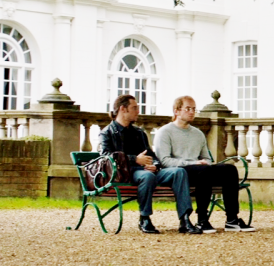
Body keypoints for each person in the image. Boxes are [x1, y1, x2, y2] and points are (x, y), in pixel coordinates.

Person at [99, 94, 201, 234]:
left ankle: (185, 220)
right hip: (126, 173)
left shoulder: (138, 133)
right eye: (134, 108)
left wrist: (156, 165)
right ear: (123, 109)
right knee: (147, 176)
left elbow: (152, 155)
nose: (138, 111)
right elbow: (106, 156)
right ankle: (145, 218)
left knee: (179, 172)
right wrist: (134, 159)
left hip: (148, 171)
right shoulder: (107, 133)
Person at [154, 95, 256, 233]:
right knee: (203, 170)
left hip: (200, 170)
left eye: (194, 109)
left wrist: (204, 163)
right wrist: (193, 163)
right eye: (188, 109)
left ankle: (232, 219)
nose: (192, 112)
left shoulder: (198, 133)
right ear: (176, 111)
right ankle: (202, 219)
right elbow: (165, 161)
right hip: (179, 172)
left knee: (229, 169)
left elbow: (207, 158)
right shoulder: (165, 132)